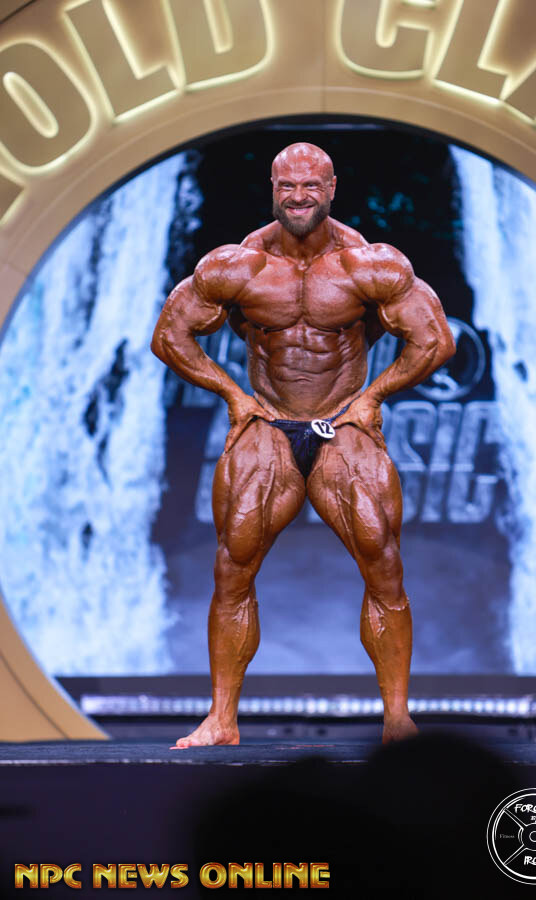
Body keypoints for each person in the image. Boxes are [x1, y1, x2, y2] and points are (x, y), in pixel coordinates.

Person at [151, 142, 455, 747]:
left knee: (384, 566)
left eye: (310, 185)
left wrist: (373, 396)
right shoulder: (237, 266)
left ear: (331, 188)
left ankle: (397, 722)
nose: (298, 197)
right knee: (232, 569)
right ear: (272, 188)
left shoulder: (368, 264)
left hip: (342, 424)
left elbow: (435, 341)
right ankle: (221, 720)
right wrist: (233, 395)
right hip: (269, 425)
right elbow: (170, 336)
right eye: (287, 186)